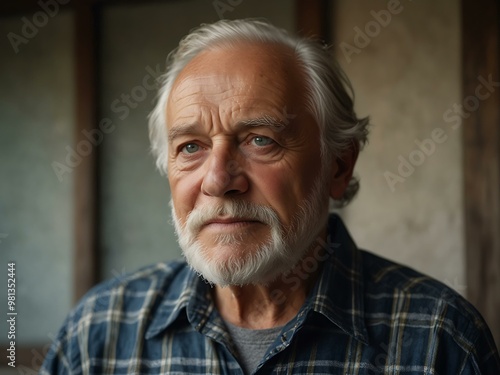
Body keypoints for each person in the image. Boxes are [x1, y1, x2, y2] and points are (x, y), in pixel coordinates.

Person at [41, 19, 499, 374]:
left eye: (261, 140)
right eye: (191, 147)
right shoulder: (98, 330)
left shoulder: (440, 337)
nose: (219, 180)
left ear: (338, 166)